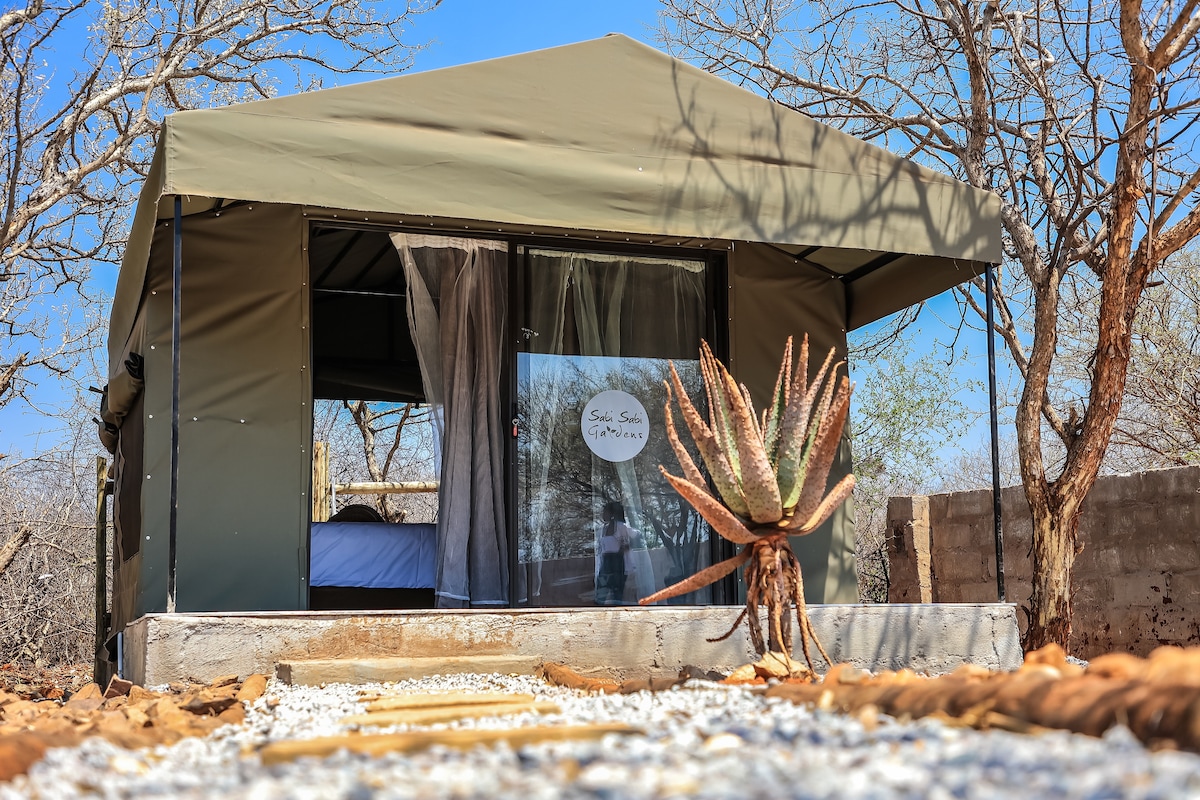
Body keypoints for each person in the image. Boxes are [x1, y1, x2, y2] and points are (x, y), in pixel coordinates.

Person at [595, 501, 632, 605]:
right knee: (600, 595)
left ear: (612, 514)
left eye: (605, 512)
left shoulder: (621, 527)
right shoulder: (602, 529)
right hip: (605, 564)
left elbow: (627, 545)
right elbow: (600, 551)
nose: (603, 515)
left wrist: (619, 552)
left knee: (617, 595)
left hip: (617, 563)